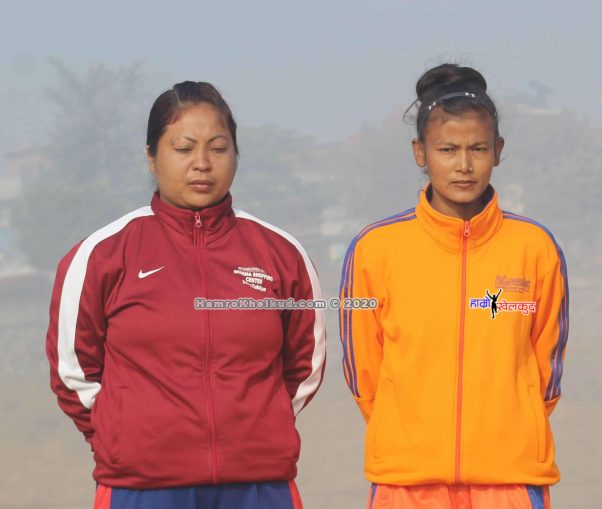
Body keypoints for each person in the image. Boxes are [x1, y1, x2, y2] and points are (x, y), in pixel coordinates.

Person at [45, 81, 326, 509]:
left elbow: (305, 364)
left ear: (236, 155)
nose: (202, 164)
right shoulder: (102, 255)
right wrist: (123, 435)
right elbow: (73, 370)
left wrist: (257, 425)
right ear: (151, 157)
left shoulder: (282, 254)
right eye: (183, 148)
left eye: (219, 148)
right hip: (141, 486)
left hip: (259, 484)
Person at [340, 63, 568, 509]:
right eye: (447, 149)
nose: (463, 165)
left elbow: (547, 367)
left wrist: (508, 430)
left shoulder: (534, 247)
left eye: (477, 148)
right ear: (420, 152)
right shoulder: (375, 249)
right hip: (406, 483)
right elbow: (363, 370)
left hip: (509, 480)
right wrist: (410, 435)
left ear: (498, 151)